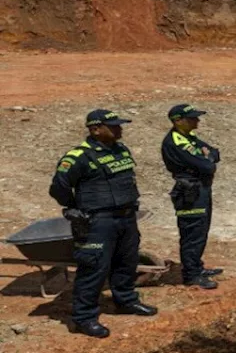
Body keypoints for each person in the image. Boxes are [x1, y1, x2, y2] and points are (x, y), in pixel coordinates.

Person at [49, 109, 158, 338]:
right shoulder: (79, 156)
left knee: (126, 262)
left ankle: (126, 300)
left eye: (119, 125)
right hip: (98, 221)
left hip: (127, 217)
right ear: (95, 128)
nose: (119, 129)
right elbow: (59, 187)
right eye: (114, 125)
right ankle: (84, 318)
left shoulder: (120, 150)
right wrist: (76, 207)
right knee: (93, 268)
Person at [161, 104, 222, 289]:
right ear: (178, 121)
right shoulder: (175, 142)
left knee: (201, 230)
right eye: (192, 118)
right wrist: (207, 159)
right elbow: (208, 166)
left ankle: (197, 267)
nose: (198, 121)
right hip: (189, 191)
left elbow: (215, 153)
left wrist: (208, 157)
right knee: (192, 233)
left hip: (201, 188)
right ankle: (191, 275)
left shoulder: (189, 137)